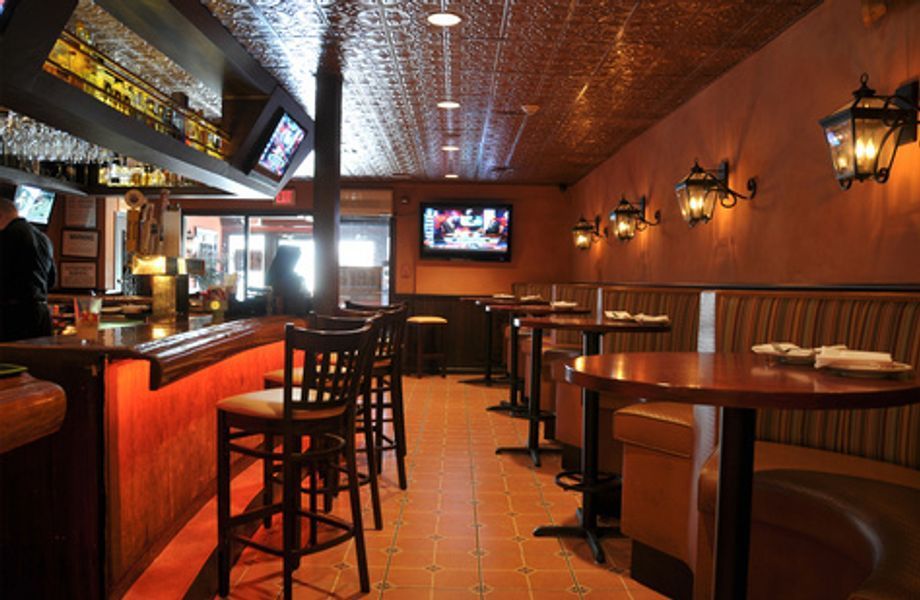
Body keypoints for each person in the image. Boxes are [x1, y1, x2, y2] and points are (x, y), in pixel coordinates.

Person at [0, 197, 57, 341]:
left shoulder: (6, 236)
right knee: (39, 360)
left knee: (13, 361)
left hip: (13, 317)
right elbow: (51, 280)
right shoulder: (44, 238)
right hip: (42, 316)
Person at [266, 245, 308, 315]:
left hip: (294, 314)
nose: (295, 262)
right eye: (294, 260)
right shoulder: (282, 279)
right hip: (289, 315)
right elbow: (279, 303)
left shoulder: (283, 276)